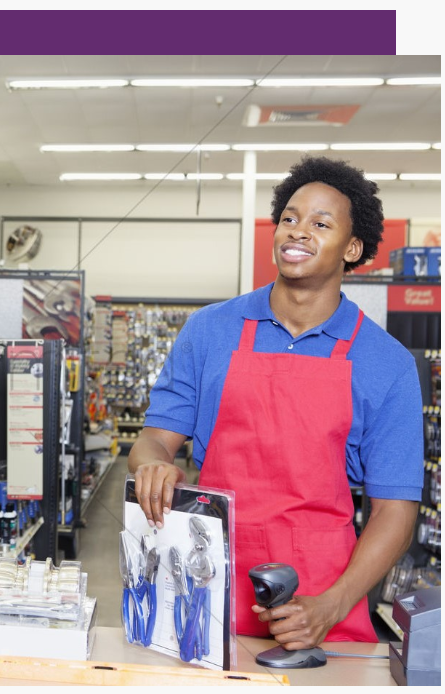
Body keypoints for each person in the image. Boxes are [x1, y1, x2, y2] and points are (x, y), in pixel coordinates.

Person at [128, 156, 423, 650]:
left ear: (353, 248)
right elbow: (156, 439)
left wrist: (334, 603)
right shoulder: (211, 331)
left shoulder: (385, 363)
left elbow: (395, 509)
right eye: (289, 217)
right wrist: (152, 465)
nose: (297, 231)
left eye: (320, 223)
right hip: (206, 576)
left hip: (322, 592)